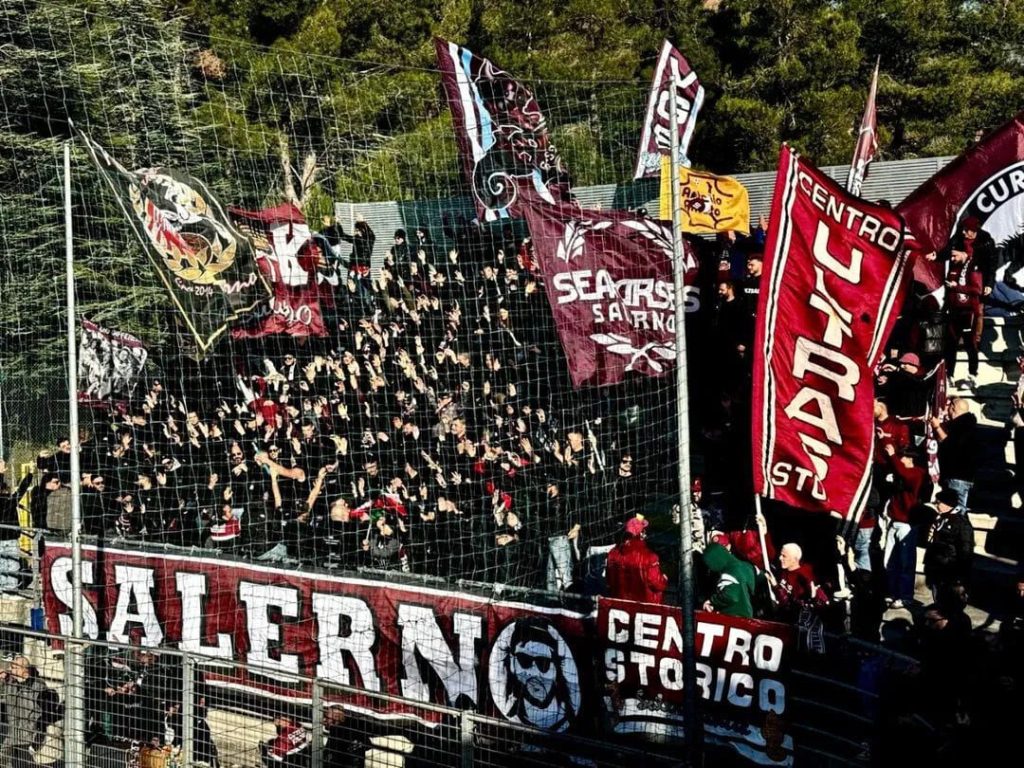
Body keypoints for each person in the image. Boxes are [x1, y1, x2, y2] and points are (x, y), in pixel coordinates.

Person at [924, 488, 975, 604]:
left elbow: (965, 549)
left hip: (950, 568)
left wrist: (960, 573)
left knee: (948, 600)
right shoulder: (940, 519)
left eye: (938, 503)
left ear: (948, 504)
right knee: (938, 597)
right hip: (938, 566)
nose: (936, 505)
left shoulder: (961, 523)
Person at [0, 656, 52, 768]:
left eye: (14, 667)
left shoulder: (38, 686)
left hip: (29, 737)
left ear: (25, 670)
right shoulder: (10, 683)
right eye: (11, 667)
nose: (11, 670)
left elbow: (45, 714)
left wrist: (35, 742)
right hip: (13, 735)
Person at [605, 515, 669, 604]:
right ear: (641, 534)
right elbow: (657, 584)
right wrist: (664, 579)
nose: (646, 534)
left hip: (619, 604)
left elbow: (609, 580)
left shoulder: (613, 553)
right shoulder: (650, 557)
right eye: (644, 531)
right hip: (645, 606)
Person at [931, 397, 978, 508]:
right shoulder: (969, 425)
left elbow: (951, 445)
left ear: (952, 408)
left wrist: (937, 427)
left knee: (955, 510)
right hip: (963, 476)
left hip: (957, 476)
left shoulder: (961, 426)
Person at [702, 541, 757, 618]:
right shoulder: (746, 566)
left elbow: (731, 596)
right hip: (748, 617)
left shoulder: (729, 573)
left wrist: (712, 601)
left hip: (733, 618)